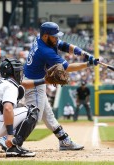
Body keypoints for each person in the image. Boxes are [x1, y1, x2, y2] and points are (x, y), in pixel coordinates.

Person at [23, 22, 99, 150]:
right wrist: (88, 64)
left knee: (48, 116)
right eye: (54, 36)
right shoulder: (45, 51)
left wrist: (83, 53)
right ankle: (9, 138)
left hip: (36, 81)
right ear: (46, 36)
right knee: (34, 117)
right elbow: (67, 68)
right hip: (33, 84)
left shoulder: (42, 39)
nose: (57, 38)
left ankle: (64, 140)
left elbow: (64, 45)